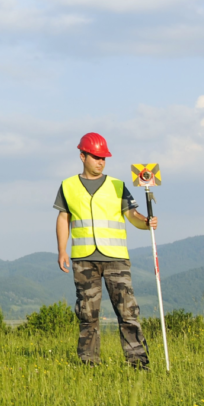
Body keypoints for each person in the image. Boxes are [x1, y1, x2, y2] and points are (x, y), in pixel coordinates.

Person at [54, 132, 157, 369]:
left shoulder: (118, 185)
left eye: (104, 158)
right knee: (87, 315)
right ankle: (89, 364)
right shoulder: (68, 186)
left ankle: (138, 364)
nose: (101, 161)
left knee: (128, 313)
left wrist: (146, 222)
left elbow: (132, 215)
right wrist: (61, 250)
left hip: (116, 259)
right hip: (84, 259)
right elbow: (63, 218)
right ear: (82, 156)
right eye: (96, 157)